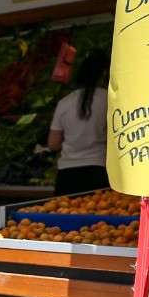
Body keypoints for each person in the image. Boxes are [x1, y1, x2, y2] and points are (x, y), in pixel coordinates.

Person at [47, 52, 110, 195]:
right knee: (99, 215)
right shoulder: (110, 100)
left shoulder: (65, 102)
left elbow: (53, 144)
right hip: (98, 171)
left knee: (66, 216)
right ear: (105, 72)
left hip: (67, 176)